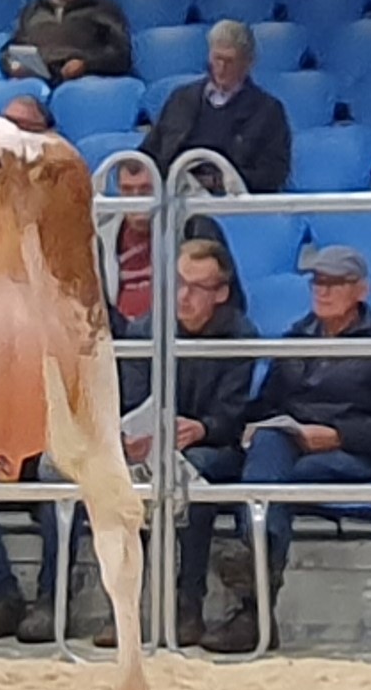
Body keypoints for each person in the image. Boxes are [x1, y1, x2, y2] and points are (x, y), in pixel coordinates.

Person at [204, 245, 371, 654]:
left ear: (361, 290)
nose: (322, 290)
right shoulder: (294, 340)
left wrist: (338, 434)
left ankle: (254, 596)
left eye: (334, 283)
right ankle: (257, 594)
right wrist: (249, 423)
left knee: (267, 483)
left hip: (352, 454)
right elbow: (268, 404)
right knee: (269, 450)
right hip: (291, 449)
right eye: (317, 282)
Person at [96, 239, 257, 648]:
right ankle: (125, 610)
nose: (184, 296)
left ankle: (188, 606)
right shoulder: (147, 327)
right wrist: (132, 433)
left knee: (192, 481)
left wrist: (201, 428)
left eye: (198, 287)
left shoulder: (241, 335)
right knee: (127, 485)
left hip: (211, 446)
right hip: (151, 446)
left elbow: (233, 414)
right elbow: (131, 397)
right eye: (179, 283)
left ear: (220, 293)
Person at [140, 19, 291, 194]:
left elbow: (274, 173)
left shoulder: (268, 111)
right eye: (217, 58)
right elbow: (150, 152)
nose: (221, 68)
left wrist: (220, 181)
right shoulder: (181, 99)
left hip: (233, 202)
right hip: (176, 196)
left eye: (229, 61)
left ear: (248, 63)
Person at [99, 158, 246, 322]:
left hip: (179, 334)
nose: (136, 200)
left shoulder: (196, 229)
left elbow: (227, 303)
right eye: (127, 190)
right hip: (118, 337)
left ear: (164, 191)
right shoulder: (100, 237)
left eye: (146, 190)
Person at [2, 0, 132, 84]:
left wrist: (87, 64)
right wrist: (12, 66)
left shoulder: (103, 9)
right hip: (34, 80)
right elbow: (8, 51)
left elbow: (122, 55)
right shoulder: (34, 10)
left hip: (82, 80)